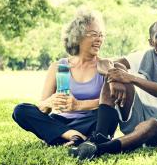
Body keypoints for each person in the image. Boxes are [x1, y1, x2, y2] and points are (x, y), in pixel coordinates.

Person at [70, 21, 157, 161]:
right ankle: (100, 136)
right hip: (139, 114)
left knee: (152, 123)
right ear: (151, 42)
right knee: (114, 72)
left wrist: (130, 78)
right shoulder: (142, 57)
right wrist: (114, 78)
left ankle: (101, 149)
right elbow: (104, 63)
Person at [12, 9, 105, 146]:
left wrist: (78, 105)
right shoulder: (59, 66)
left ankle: (62, 137)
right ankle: (73, 136)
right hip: (61, 121)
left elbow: (110, 104)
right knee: (20, 111)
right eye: (93, 34)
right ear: (77, 37)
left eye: (101, 35)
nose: (99, 39)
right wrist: (49, 102)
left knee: (104, 116)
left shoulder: (104, 67)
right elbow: (44, 109)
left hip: (91, 121)